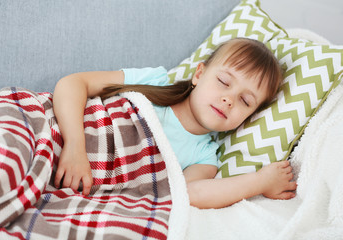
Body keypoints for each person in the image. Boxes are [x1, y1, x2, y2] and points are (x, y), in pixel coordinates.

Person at [53, 38, 297, 209]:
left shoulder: (204, 156)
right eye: (224, 81)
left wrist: (260, 181)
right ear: (199, 74)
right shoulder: (156, 81)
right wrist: (75, 146)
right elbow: (74, 83)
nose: (229, 99)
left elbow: (191, 194)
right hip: (58, 134)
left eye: (245, 100)